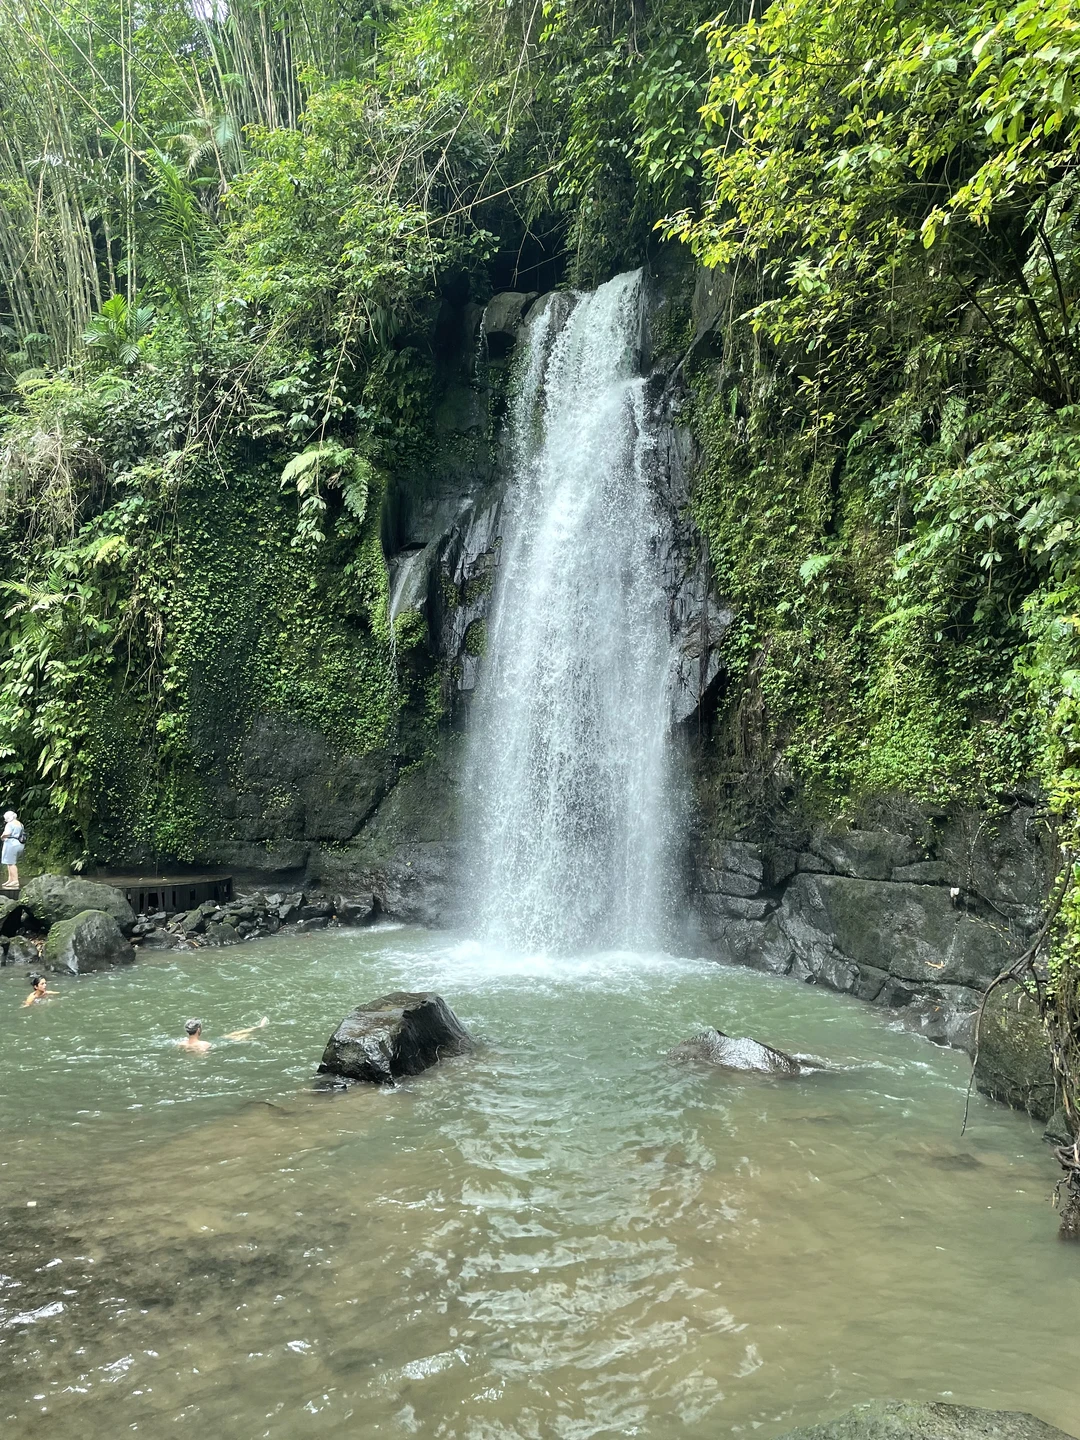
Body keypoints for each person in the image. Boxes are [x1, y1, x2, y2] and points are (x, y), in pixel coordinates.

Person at [2, 810, 25, 890]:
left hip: (11, 844)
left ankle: (15, 880)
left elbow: (7, 833)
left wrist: (2, 836)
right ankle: (10, 879)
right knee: (10, 862)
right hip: (19, 844)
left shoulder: (10, 824)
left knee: (11, 863)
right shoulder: (20, 824)